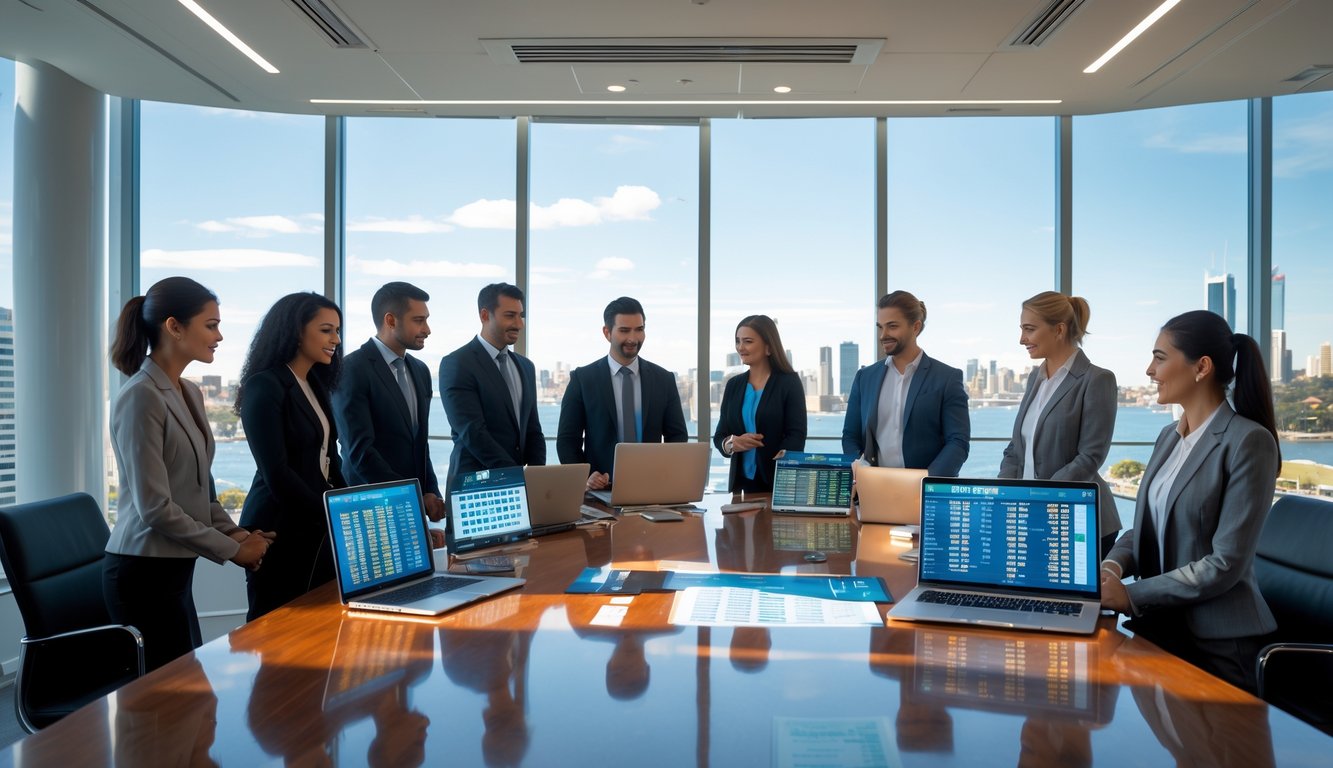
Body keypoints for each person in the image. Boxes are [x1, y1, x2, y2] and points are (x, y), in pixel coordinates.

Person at [1101, 310, 1281, 693]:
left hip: (1217, 647)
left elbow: (1225, 563)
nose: (1150, 370)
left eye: (1160, 357)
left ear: (1201, 367)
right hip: (1162, 631)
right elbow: (1149, 525)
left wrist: (1131, 595)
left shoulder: (1248, 442)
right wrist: (1113, 565)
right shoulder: (1169, 437)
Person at [104, 277, 271, 671]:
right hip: (141, 575)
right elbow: (155, 508)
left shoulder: (189, 392)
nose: (219, 336)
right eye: (210, 325)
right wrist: (233, 551)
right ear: (174, 327)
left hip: (175, 572)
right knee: (168, 708)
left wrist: (235, 532)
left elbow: (199, 489)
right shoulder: (140, 396)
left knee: (191, 702)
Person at [235, 292, 346, 620]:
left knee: (320, 625)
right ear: (297, 331)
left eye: (337, 331)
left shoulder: (314, 383)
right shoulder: (264, 386)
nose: (336, 340)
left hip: (317, 525)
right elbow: (277, 473)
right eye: (327, 330)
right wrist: (332, 512)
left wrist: (349, 503)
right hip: (279, 528)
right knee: (274, 629)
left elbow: (330, 459)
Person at [999, 291, 1121, 556]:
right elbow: (1016, 446)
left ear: (1059, 330)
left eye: (1029, 329)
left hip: (1081, 522)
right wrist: (1003, 494)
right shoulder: (1036, 378)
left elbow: (1090, 457)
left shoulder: (1097, 379)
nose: (1022, 339)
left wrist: (1043, 498)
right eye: (1022, 330)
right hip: (1035, 517)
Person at [332, 282, 446, 537]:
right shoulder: (351, 369)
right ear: (391, 320)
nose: (427, 329)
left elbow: (419, 444)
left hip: (409, 508)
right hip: (370, 510)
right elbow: (359, 452)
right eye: (418, 320)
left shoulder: (421, 371)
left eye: (426, 320)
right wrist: (412, 499)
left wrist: (430, 491)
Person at [557, 296, 689, 490]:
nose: (633, 338)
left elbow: (677, 436)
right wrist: (585, 475)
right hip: (599, 491)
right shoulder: (583, 379)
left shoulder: (664, 379)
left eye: (639, 329)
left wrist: (666, 471)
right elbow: (567, 440)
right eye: (624, 330)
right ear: (607, 332)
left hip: (652, 488)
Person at [842, 291, 970, 476]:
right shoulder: (865, 377)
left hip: (926, 494)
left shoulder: (947, 378)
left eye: (892, 326)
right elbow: (850, 436)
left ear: (915, 327)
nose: (883, 335)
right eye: (880, 327)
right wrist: (861, 472)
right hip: (874, 489)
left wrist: (927, 483)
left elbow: (958, 442)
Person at [440, 283, 546, 495]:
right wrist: (516, 477)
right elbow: (473, 432)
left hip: (519, 489)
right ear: (485, 315)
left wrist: (536, 478)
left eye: (521, 315)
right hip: (475, 489)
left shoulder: (525, 366)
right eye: (510, 316)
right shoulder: (457, 363)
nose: (519, 324)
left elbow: (533, 429)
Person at [713, 315, 807, 492]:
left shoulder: (789, 383)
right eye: (738, 341)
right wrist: (732, 443)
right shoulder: (733, 385)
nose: (740, 347)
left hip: (777, 485)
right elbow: (720, 436)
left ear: (768, 347)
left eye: (748, 341)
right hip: (741, 486)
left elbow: (797, 436)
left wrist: (779, 460)